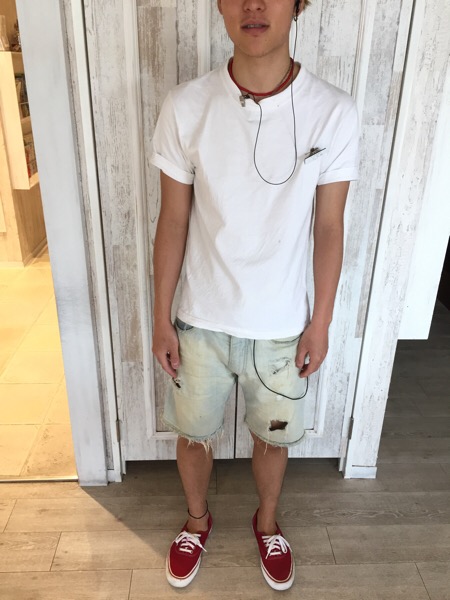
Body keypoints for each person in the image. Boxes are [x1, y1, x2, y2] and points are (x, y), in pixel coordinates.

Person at [151, 0, 359, 591]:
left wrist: (320, 323)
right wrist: (161, 318)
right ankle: (197, 521)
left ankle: (267, 524)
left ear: (298, 4)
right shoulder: (186, 106)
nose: (254, 5)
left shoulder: (333, 112)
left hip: (282, 327)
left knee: (273, 438)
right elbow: (173, 219)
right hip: (200, 320)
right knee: (193, 435)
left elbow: (329, 226)